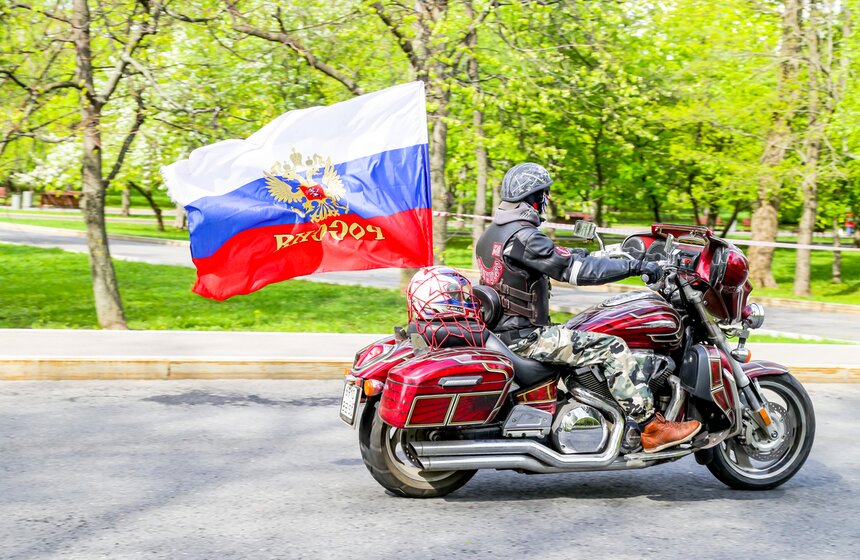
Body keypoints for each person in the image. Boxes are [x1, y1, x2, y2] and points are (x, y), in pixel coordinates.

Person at [475, 162, 701, 453]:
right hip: (527, 339)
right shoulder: (525, 237)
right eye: (545, 195)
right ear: (533, 197)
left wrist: (602, 254)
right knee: (613, 347)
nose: (546, 201)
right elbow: (573, 270)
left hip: (505, 333)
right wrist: (634, 266)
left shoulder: (494, 234)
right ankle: (651, 426)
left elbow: (555, 255)